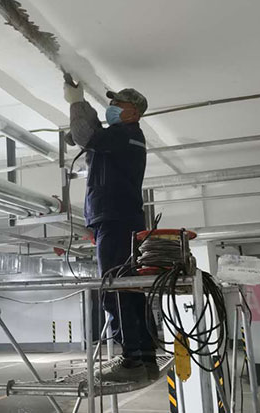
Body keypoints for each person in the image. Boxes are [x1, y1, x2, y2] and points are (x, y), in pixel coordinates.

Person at [64, 81, 159, 383]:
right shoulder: (123, 138)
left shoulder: (124, 135)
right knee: (129, 289)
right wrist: (81, 112)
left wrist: (76, 102)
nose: (112, 107)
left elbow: (87, 136)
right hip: (122, 219)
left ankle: (131, 360)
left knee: (114, 287)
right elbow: (88, 136)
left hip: (115, 219)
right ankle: (145, 358)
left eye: (118, 104)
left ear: (134, 112)